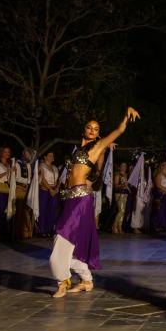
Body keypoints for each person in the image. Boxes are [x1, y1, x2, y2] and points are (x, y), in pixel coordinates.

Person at [49, 109, 140, 297]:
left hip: (80, 199)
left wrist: (125, 117)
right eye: (89, 127)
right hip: (69, 198)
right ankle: (86, 280)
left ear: (99, 134)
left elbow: (118, 131)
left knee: (62, 237)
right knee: (69, 243)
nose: (92, 130)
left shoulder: (97, 146)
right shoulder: (77, 149)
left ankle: (62, 282)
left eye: (96, 129)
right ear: (84, 130)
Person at [37, 151, 61, 237]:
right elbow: (42, 179)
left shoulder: (55, 167)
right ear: (45, 157)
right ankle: (42, 230)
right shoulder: (41, 166)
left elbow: (59, 180)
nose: (52, 157)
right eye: (50, 155)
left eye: (53, 156)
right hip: (44, 190)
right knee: (43, 210)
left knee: (52, 210)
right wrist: (50, 189)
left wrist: (57, 188)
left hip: (54, 190)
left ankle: (50, 229)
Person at [151, 162, 166, 232]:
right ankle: (156, 226)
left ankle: (164, 226)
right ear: (162, 166)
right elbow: (158, 185)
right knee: (159, 210)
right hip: (161, 194)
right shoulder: (159, 175)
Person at [112, 162, 129, 235]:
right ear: (120, 167)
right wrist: (122, 185)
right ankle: (114, 226)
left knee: (123, 211)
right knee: (121, 210)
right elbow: (115, 185)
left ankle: (120, 227)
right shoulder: (117, 175)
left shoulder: (127, 175)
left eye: (125, 166)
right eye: (122, 166)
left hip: (125, 194)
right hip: (119, 194)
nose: (124, 167)